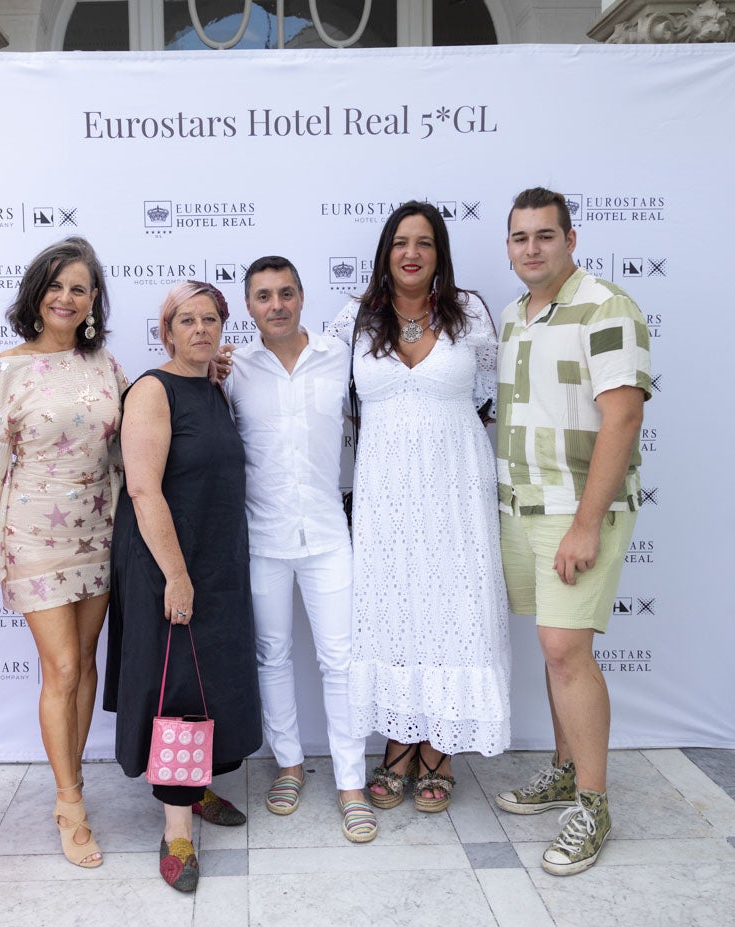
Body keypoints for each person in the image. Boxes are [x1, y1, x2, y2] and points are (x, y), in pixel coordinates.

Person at [327, 201, 511, 814]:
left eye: (424, 243)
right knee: (395, 610)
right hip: (384, 496)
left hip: (456, 491)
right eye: (400, 242)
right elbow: (306, 373)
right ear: (385, 252)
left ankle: (440, 748)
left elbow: (491, 398)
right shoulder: (355, 319)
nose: (411, 253)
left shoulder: (471, 313)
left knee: (452, 609)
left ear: (440, 254)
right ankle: (398, 745)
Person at [491, 187, 651, 876]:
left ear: (570, 239)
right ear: (508, 246)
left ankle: (591, 802)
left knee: (564, 649)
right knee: (554, 650)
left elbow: (622, 417)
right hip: (518, 507)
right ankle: (562, 769)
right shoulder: (512, 315)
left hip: (577, 509)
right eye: (520, 237)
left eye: (544, 236)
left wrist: (584, 524)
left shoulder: (606, 306)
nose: (532, 248)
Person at [103, 280, 262, 893]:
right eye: (186, 320)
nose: (200, 329)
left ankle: (194, 788)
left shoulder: (214, 386)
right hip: (167, 564)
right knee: (177, 691)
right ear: (165, 331)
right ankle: (175, 830)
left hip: (216, 561)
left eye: (210, 319)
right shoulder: (152, 390)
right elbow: (143, 489)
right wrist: (175, 575)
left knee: (209, 682)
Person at [0, 237, 126, 868]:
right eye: (57, 286)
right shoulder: (5, 370)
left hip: (101, 533)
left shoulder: (106, 366)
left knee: (85, 664)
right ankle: (69, 803)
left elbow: (130, 445)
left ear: (93, 301)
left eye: (80, 288)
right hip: (34, 536)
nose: (67, 297)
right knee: (61, 668)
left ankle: (75, 786)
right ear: (37, 294)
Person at [225, 256, 376, 843]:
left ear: (303, 295)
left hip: (328, 537)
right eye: (264, 296)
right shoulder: (233, 366)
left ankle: (351, 782)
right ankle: (288, 764)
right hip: (261, 538)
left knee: (340, 660)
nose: (277, 305)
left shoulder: (340, 355)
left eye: (286, 293)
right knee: (273, 655)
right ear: (249, 306)